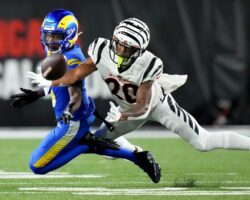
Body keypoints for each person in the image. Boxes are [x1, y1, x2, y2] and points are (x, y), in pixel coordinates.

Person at [28, 17, 250, 178]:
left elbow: (143, 105)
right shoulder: (100, 48)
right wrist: (49, 83)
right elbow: (76, 75)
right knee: (101, 145)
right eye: (118, 44)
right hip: (125, 109)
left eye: (128, 48)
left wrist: (122, 116)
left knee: (204, 142)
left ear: (140, 50)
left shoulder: (150, 63)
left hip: (155, 106)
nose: (120, 50)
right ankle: (138, 154)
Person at [11, 10, 161, 183]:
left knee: (37, 165)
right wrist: (37, 93)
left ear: (70, 34)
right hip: (77, 117)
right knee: (68, 149)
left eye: (56, 36)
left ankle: (85, 143)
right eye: (48, 35)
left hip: (72, 121)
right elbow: (60, 84)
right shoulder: (61, 53)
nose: (50, 41)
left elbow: (75, 94)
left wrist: (69, 110)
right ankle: (138, 156)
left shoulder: (70, 59)